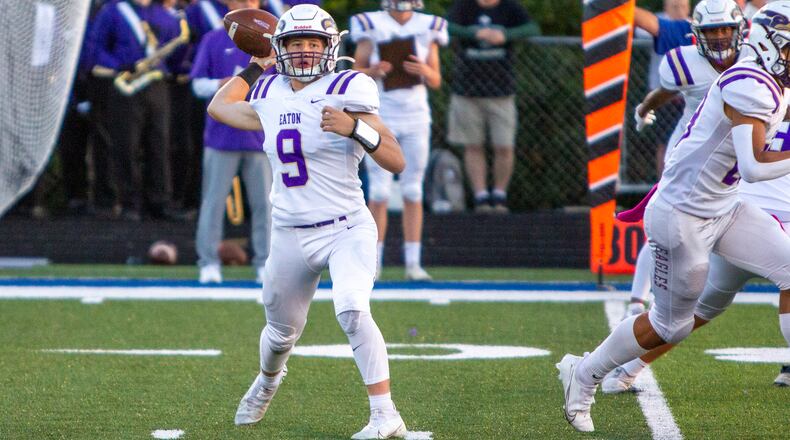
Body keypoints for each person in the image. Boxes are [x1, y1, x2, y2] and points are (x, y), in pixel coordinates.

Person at [558, 2, 790, 433]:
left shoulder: (770, 82)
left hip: (725, 206)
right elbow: (755, 165)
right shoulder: (748, 83)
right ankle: (585, 372)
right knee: (671, 326)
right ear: (770, 45)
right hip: (682, 214)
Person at [207, 4, 409, 438]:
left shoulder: (349, 86)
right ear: (279, 47)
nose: (304, 51)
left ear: (329, 46)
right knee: (280, 334)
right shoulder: (268, 90)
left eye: (313, 43)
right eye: (295, 42)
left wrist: (355, 129)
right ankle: (267, 382)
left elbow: (396, 160)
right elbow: (219, 107)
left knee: (352, 308)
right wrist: (255, 67)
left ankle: (385, 414)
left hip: (346, 226)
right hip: (289, 231)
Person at [626, 0, 747, 317]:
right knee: (668, 228)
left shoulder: (755, 58)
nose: (719, 37)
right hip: (690, 155)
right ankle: (637, 300)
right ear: (697, 34)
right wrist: (644, 108)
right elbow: (664, 91)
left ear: (739, 30)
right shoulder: (686, 62)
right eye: (712, 31)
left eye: (725, 29)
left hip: (740, 156)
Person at [350, 0, 448, 281]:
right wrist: (374, 71)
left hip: (416, 116)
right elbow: (354, 72)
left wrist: (424, 71)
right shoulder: (371, 24)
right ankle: (374, 262)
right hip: (381, 115)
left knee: (413, 190)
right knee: (379, 192)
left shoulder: (428, 26)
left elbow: (436, 79)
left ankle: (413, 263)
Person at [191, 0, 272, 284]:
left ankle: (265, 263)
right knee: (213, 203)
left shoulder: (273, 42)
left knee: (266, 205)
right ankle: (208, 262)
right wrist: (224, 84)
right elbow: (197, 84)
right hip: (221, 137)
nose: (247, 3)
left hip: (259, 137)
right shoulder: (214, 39)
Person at [91, 0, 183, 220]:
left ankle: (159, 201)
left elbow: (176, 54)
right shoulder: (113, 11)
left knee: (159, 144)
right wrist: (118, 65)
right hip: (127, 84)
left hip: (157, 84)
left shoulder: (163, 14)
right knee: (126, 145)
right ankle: (129, 202)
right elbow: (94, 48)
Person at [445, 0, 539, 213]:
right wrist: (473, 34)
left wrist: (506, 35)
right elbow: (445, 26)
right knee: (472, 145)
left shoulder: (510, 7)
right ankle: (481, 196)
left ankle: (499, 194)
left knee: (504, 145)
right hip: (467, 90)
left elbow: (532, 28)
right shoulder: (464, 6)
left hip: (501, 91)